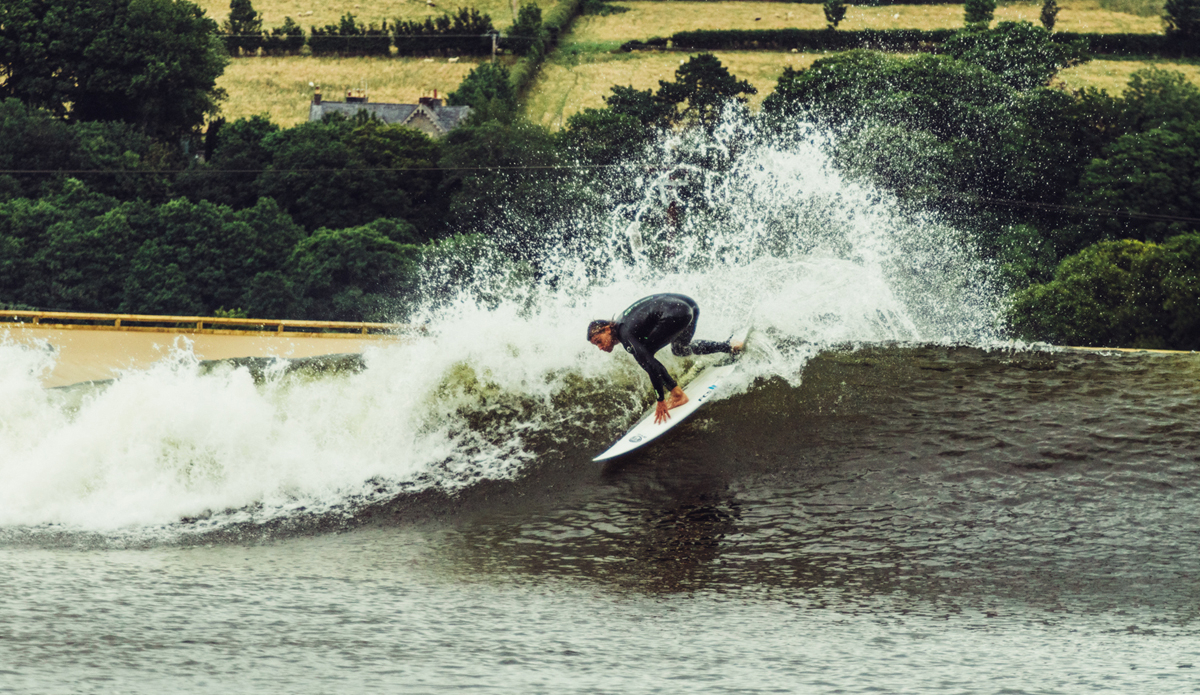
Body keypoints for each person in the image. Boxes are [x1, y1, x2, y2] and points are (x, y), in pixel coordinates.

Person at [588, 293, 741, 424]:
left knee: (645, 357)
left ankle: (677, 395)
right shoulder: (623, 323)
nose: (600, 347)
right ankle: (728, 346)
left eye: (599, 341)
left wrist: (660, 399)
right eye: (597, 345)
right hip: (690, 305)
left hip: (677, 314)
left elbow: (650, 365)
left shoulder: (625, 334)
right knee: (680, 349)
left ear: (607, 329)